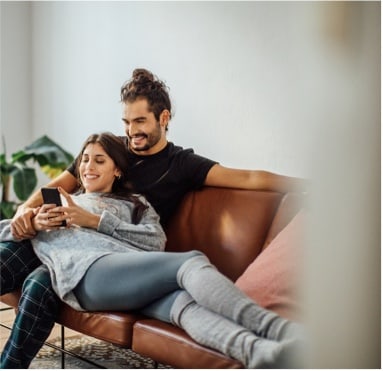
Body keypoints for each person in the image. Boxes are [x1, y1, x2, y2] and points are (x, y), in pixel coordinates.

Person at [0, 69, 307, 367]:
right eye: (126, 122)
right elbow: (56, 188)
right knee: (16, 254)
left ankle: (259, 353)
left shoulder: (180, 165)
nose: (131, 131)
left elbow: (250, 178)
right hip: (77, 257)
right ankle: (277, 331)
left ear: (164, 118)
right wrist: (25, 212)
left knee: (183, 305)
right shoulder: (109, 149)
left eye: (140, 121)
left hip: (123, 261)